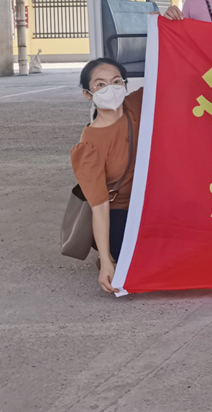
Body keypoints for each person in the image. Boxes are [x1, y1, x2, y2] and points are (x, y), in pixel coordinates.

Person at [70, 59, 141, 294]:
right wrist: (106, 259)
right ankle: (109, 253)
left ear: (125, 84)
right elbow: (99, 208)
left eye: (116, 81)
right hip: (120, 211)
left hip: (153, 203)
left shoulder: (137, 104)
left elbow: (175, 76)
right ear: (87, 94)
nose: (111, 89)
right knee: (140, 262)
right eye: (100, 85)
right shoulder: (89, 147)